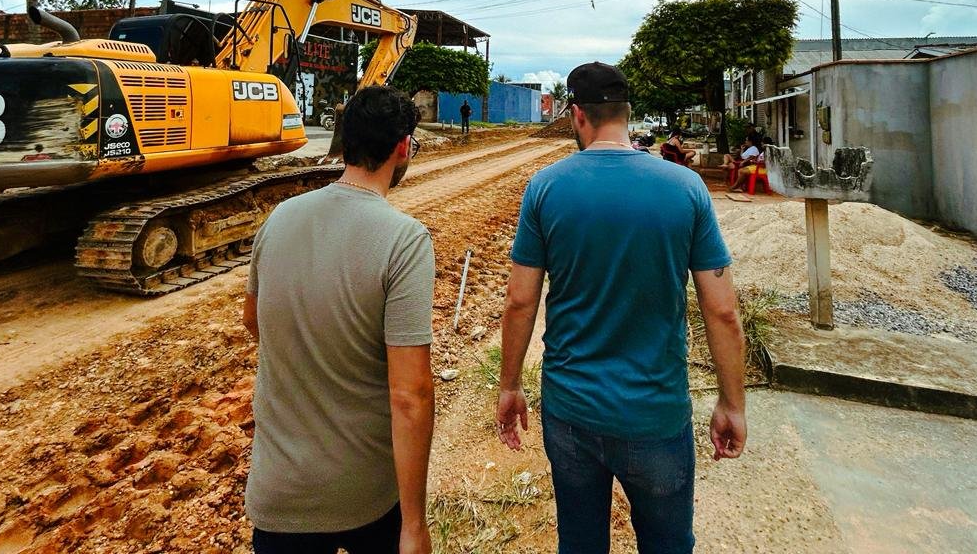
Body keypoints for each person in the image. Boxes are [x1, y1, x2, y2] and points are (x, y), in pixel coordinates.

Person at [496, 61, 748, 554]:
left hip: (571, 412)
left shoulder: (546, 188)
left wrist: (509, 386)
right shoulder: (685, 188)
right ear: (627, 115)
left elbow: (519, 299)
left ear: (576, 116)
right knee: (668, 543)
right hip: (655, 414)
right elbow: (722, 312)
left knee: (581, 540)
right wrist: (732, 403)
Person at [243, 85, 435, 554]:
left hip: (278, 492)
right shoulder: (404, 241)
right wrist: (414, 524)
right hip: (364, 494)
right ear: (403, 147)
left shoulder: (280, 217)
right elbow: (411, 395)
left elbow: (254, 322)